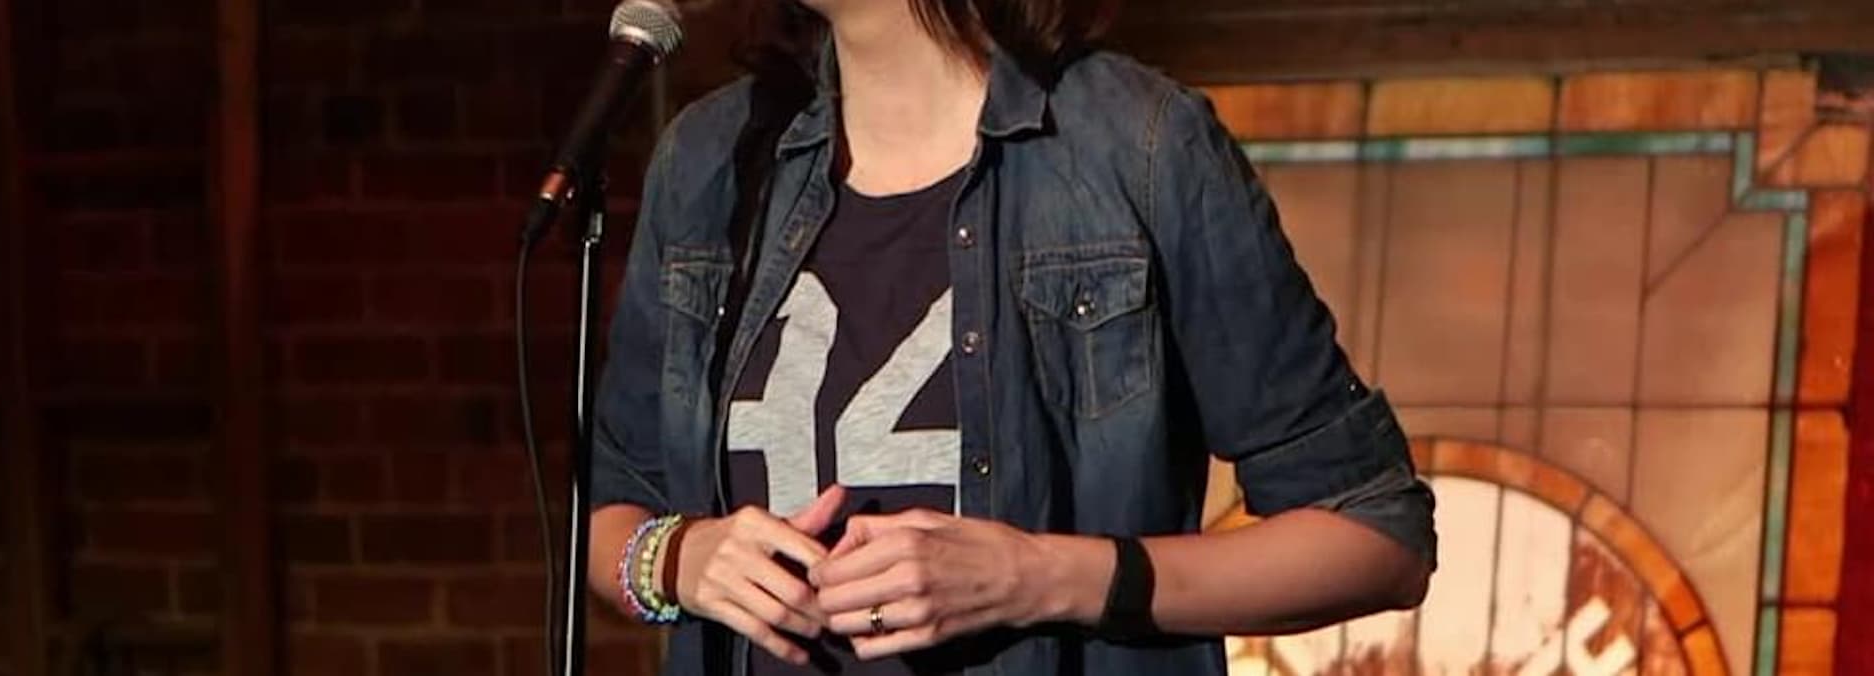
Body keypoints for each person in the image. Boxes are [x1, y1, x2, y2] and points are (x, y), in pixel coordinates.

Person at [587, 0, 1437, 674]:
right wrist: (678, 559)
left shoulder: (1139, 147)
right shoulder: (711, 159)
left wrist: (1039, 577)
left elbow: (1375, 539)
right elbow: (610, 514)